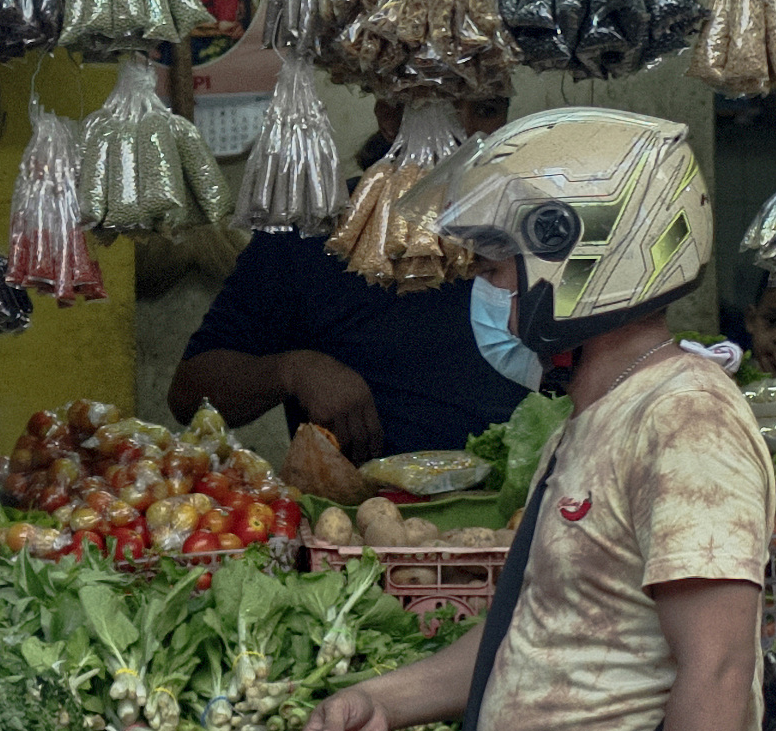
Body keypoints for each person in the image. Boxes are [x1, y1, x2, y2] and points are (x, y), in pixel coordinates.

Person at [303, 107, 776, 731]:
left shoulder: (684, 418)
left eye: (500, 265)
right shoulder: (589, 420)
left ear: (590, 258)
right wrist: (384, 699)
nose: (485, 289)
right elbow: (535, 633)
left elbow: (716, 670)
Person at [170, 94, 525, 462]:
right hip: (365, 512)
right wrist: (293, 370)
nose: (466, 133)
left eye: (487, 111)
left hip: (524, 506)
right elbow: (188, 396)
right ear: (390, 118)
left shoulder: (539, 229)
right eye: (440, 109)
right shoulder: (313, 233)